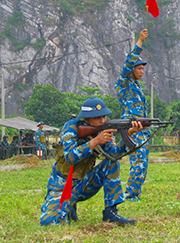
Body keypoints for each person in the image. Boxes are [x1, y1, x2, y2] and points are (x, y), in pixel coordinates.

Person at [40, 97, 141, 226]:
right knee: (50, 222)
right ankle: (64, 206)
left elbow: (113, 155)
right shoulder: (71, 127)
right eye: (97, 117)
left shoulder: (103, 131)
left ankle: (111, 213)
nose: (102, 120)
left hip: (83, 185)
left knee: (111, 163)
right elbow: (70, 158)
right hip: (62, 187)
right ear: (86, 119)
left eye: (104, 117)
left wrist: (130, 134)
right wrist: (95, 141)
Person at [116, 29, 150, 201]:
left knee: (143, 163)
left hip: (141, 129)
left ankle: (136, 194)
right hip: (132, 129)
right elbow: (128, 63)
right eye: (139, 68)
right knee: (137, 163)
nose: (141, 71)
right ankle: (130, 196)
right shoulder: (124, 84)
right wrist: (140, 42)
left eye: (143, 69)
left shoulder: (137, 88)